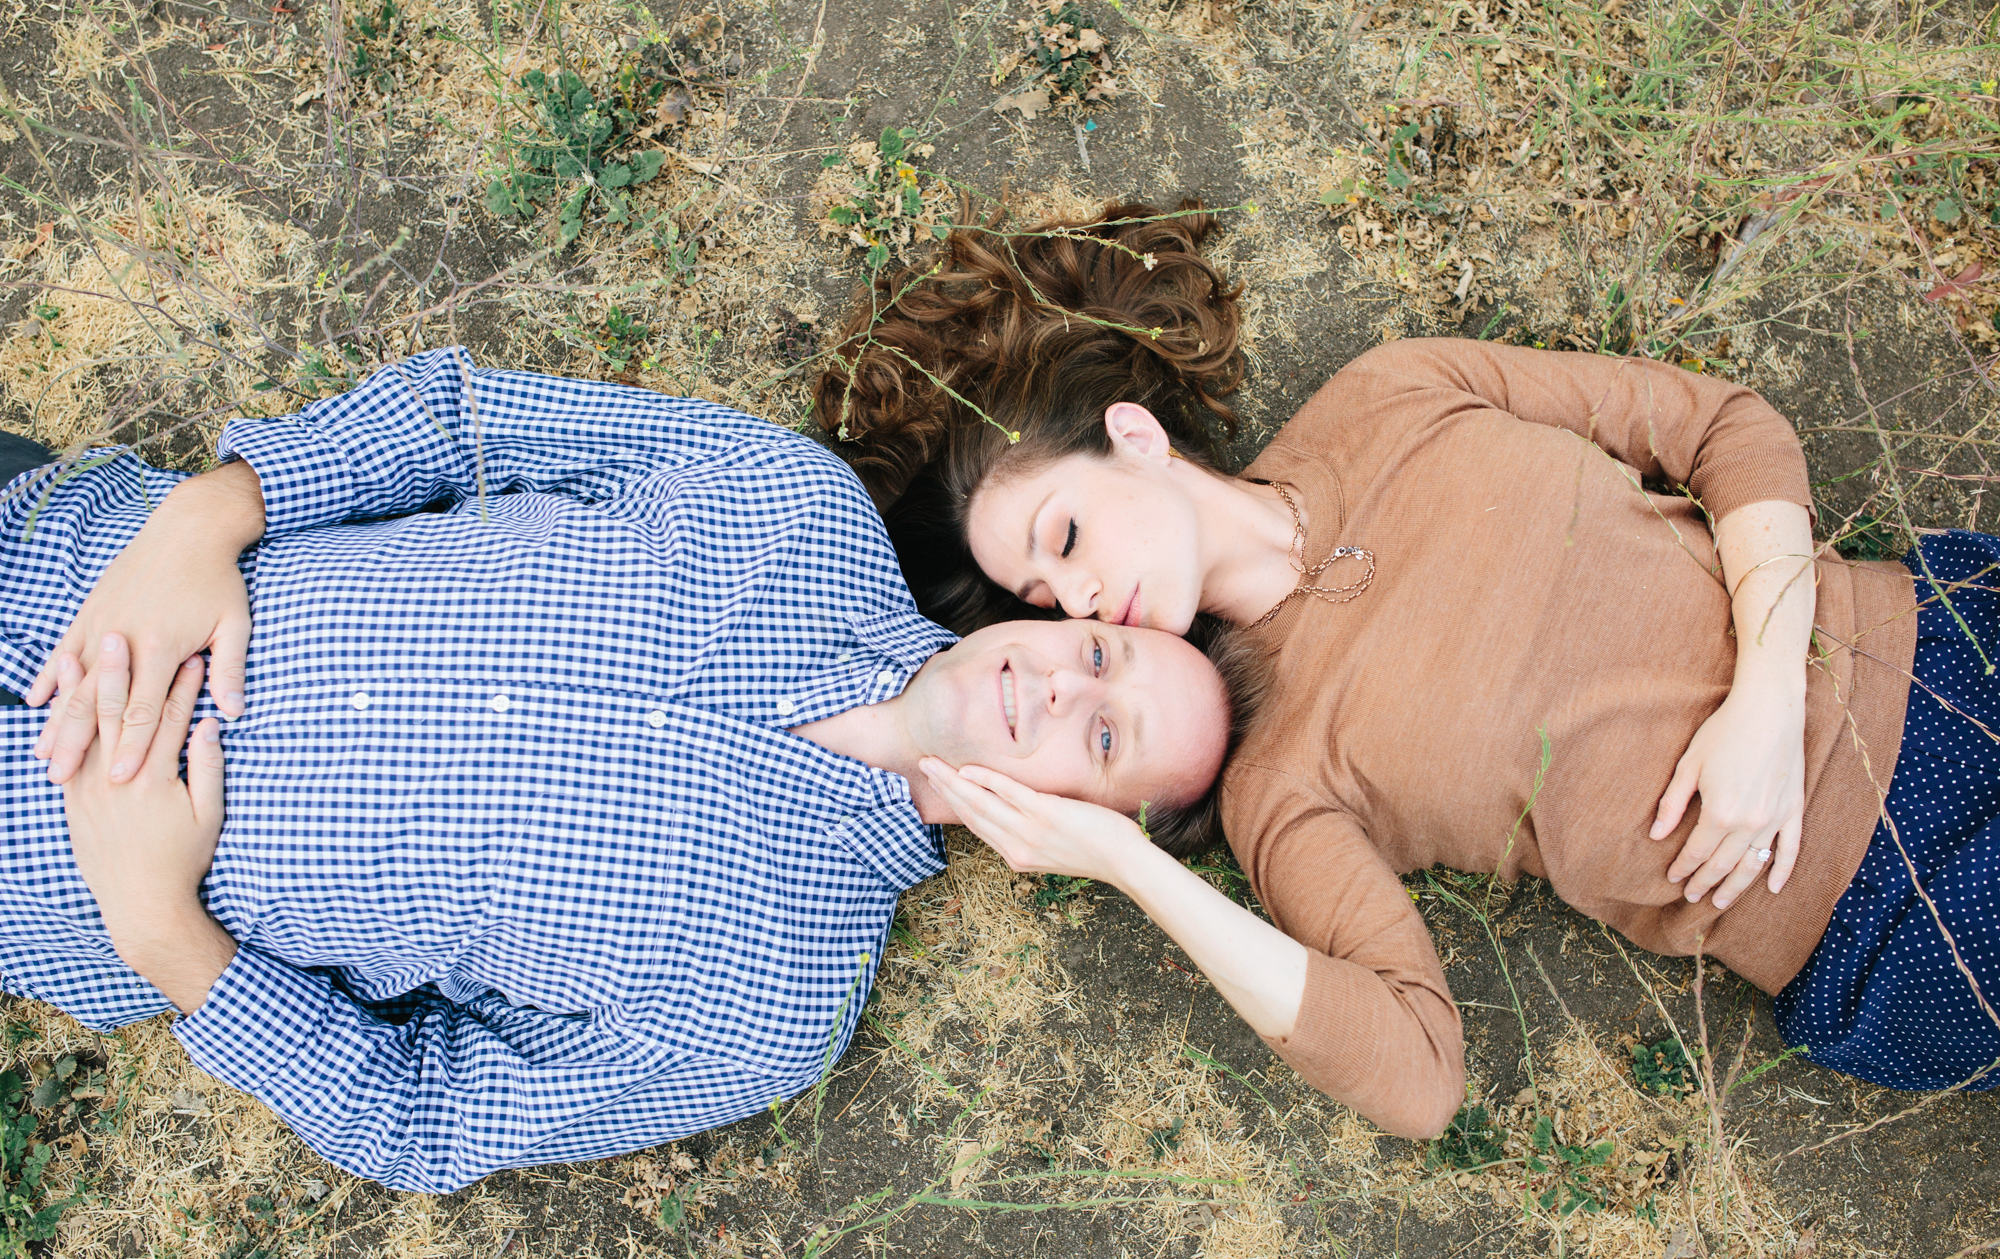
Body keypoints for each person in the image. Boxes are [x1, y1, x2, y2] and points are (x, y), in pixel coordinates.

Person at [812, 201, 2000, 1139]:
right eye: (1039, 598)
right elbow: (1418, 1077)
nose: (1072, 596)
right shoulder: (1274, 777)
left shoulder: (1391, 394)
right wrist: (1128, 862)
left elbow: (1723, 429)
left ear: (1131, 436)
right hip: (1894, 916)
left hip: (1947, 639)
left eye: (1062, 537)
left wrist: (1768, 695)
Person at [0, 347, 1257, 1192]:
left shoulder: (770, 1004)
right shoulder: (790, 504)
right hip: (54, 567)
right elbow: (461, 419)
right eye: (1099, 648)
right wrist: (197, 523)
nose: (1062, 682)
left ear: (1064, 835)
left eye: (1100, 738)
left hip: (38, 866)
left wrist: (160, 929)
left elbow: (425, 1119)